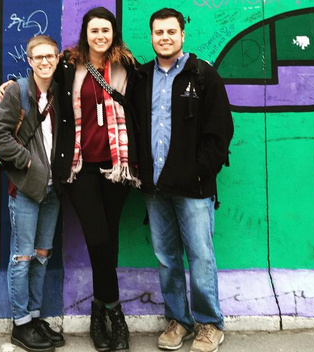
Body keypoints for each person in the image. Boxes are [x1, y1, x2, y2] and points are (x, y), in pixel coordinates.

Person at [130, 8, 233, 352]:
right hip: (155, 189)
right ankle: (178, 321)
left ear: (182, 34)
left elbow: (220, 132)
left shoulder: (202, 75)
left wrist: (199, 172)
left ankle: (209, 324)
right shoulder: (142, 78)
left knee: (201, 256)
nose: (165, 37)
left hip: (194, 189)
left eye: (171, 32)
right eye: (158, 32)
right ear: (151, 36)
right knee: (166, 257)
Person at [53, 7, 139, 352]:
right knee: (99, 241)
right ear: (85, 34)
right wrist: (9, 88)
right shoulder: (68, 66)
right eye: (94, 30)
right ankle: (115, 314)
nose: (100, 36)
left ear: (113, 33)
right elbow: (42, 90)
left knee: (110, 242)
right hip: (81, 167)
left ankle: (96, 310)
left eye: (106, 30)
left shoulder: (127, 67)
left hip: (117, 166)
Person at [0, 35, 65, 352]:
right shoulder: (18, 91)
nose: (45, 62)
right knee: (22, 257)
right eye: (39, 57)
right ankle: (20, 324)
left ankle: (34, 316)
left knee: (42, 256)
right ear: (29, 61)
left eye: (50, 56)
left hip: (53, 191)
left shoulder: (60, 92)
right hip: (25, 189)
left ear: (58, 58)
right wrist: (29, 164)